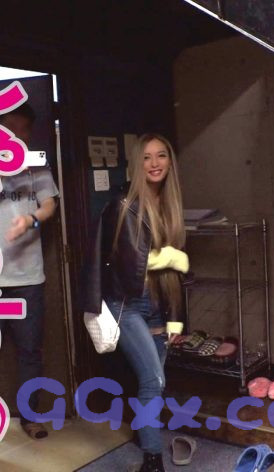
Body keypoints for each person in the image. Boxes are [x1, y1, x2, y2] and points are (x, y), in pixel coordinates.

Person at [83, 133, 189, 472]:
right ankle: (152, 461)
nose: (154, 163)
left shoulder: (169, 206)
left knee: (153, 383)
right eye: (146, 157)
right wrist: (173, 257)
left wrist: (176, 319)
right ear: (136, 164)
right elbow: (131, 266)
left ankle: (148, 447)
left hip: (159, 305)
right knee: (154, 381)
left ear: (170, 161)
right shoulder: (124, 204)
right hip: (127, 304)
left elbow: (173, 275)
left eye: (161, 155)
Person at [0, 103, 59, 440]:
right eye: (11, 130)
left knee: (30, 351)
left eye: (23, 130)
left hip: (29, 277)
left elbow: (49, 204)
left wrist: (31, 219)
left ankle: (30, 416)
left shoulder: (36, 165)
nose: (17, 136)